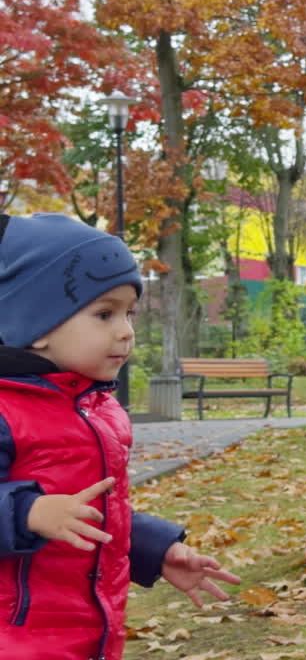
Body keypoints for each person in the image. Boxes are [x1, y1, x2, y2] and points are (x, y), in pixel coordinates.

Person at [0, 213, 240, 660]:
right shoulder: (5, 410)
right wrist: (26, 512)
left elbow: (91, 512)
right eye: (104, 313)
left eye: (129, 312)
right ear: (35, 326)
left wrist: (155, 549)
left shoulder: (98, 410)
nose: (126, 330)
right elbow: (46, 513)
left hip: (91, 632)